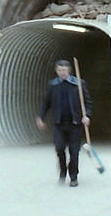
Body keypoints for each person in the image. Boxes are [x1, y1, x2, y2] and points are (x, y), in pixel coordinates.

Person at [36, 59, 92, 187]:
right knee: (59, 149)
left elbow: (88, 102)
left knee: (74, 152)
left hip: (75, 124)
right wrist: (40, 117)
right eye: (59, 70)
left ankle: (73, 177)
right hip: (59, 124)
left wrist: (87, 116)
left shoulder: (79, 84)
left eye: (64, 70)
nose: (62, 73)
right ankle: (63, 170)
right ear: (56, 71)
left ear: (69, 71)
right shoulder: (53, 85)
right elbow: (46, 103)